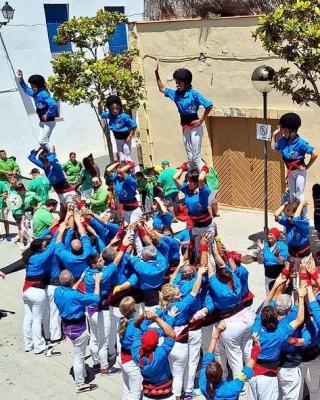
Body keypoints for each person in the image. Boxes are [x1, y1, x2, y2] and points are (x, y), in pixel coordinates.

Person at [155, 61, 213, 172]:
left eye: (179, 83)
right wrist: (156, 73)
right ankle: (192, 176)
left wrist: (201, 120)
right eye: (176, 82)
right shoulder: (175, 94)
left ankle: (204, 173)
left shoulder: (193, 94)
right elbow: (162, 89)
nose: (177, 85)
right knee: (190, 156)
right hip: (185, 126)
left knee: (196, 156)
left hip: (195, 127)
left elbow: (209, 105)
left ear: (186, 83)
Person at [54, 269, 100, 393]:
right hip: (79, 329)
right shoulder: (76, 296)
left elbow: (71, 291)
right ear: (71, 281)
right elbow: (95, 298)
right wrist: (97, 282)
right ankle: (80, 384)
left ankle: (83, 374)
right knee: (79, 357)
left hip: (66, 327)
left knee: (77, 351)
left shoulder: (57, 291)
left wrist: (80, 279)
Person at [200, 321, 262, 400]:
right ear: (221, 372)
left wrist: (216, 333)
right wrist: (256, 346)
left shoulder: (203, 383)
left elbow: (207, 359)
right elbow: (247, 370)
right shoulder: (232, 389)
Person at [22, 233, 58, 355]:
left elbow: (42, 241)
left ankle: (28, 344)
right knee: (37, 320)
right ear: (39, 249)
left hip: (26, 290)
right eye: (44, 246)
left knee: (28, 318)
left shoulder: (29, 257)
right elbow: (53, 247)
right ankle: (39, 346)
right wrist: (59, 231)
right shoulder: (40, 257)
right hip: (37, 292)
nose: (46, 247)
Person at [271, 113, 317, 203]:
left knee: (299, 195)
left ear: (292, 131)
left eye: (285, 130)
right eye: (282, 129)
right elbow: (273, 147)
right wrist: (274, 135)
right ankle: (293, 215)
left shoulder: (301, 143)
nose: (283, 132)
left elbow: (314, 155)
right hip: (291, 172)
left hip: (300, 172)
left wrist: (307, 167)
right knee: (292, 195)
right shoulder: (282, 141)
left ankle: (303, 216)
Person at [174, 164, 215, 263]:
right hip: (195, 226)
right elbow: (175, 177)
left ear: (197, 182)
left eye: (191, 181)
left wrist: (204, 168)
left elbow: (201, 179)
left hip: (206, 228)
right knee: (198, 252)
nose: (188, 183)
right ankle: (198, 270)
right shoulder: (187, 190)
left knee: (208, 253)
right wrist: (184, 167)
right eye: (187, 181)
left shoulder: (203, 191)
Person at [131, 312, 176, 400]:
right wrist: (156, 319)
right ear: (157, 342)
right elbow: (172, 335)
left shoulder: (135, 349)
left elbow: (136, 327)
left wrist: (141, 317)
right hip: (165, 394)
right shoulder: (160, 354)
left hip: (148, 394)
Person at [17, 70, 58, 150]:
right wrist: (21, 79)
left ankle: (52, 153)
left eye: (33, 86)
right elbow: (26, 89)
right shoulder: (35, 93)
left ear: (38, 85)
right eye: (31, 86)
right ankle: (46, 156)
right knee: (40, 141)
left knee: (43, 141)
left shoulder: (43, 94)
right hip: (42, 121)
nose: (31, 88)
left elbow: (53, 104)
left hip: (49, 121)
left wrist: (48, 114)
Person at [118, 296, 143, 400]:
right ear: (134, 309)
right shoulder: (136, 326)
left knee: (127, 386)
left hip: (122, 357)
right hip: (131, 361)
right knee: (135, 393)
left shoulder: (122, 322)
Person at [101, 95, 137, 162]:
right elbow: (101, 114)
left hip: (126, 139)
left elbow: (134, 126)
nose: (115, 111)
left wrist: (130, 136)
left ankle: (132, 170)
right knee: (122, 158)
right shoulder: (109, 115)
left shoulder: (125, 117)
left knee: (127, 157)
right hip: (118, 139)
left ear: (119, 107)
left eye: (116, 109)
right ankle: (123, 170)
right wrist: (99, 101)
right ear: (110, 109)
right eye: (112, 109)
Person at [257, 228, 289, 293]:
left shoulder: (282, 245)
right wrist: (261, 250)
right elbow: (260, 261)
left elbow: (282, 262)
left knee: (278, 295)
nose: (269, 236)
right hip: (268, 276)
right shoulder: (265, 245)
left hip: (279, 276)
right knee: (268, 294)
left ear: (276, 236)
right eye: (268, 234)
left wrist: (278, 256)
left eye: (271, 234)